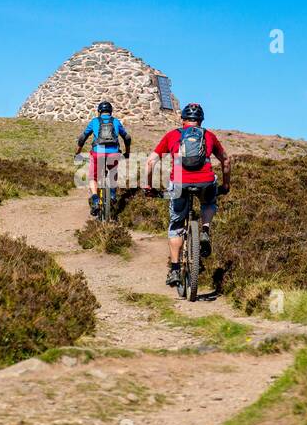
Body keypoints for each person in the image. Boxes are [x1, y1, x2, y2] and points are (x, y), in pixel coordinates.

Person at [143, 102, 231, 287]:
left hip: (179, 184)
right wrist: (226, 184)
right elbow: (226, 160)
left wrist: (148, 187)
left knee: (176, 225)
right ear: (201, 121)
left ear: (182, 119)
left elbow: (150, 162)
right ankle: (205, 230)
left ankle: (175, 270)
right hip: (205, 181)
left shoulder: (172, 135)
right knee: (208, 203)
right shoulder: (209, 136)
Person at [75, 100, 131, 217]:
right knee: (112, 174)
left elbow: (82, 138)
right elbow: (127, 137)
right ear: (110, 112)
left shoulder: (94, 121)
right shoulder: (116, 121)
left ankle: (95, 199)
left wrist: (78, 153)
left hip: (97, 153)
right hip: (114, 153)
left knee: (93, 178)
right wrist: (127, 152)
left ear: (99, 112)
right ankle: (112, 194)